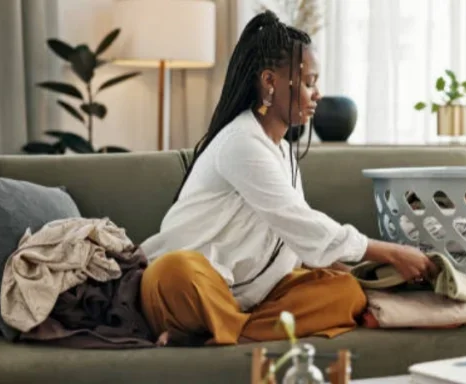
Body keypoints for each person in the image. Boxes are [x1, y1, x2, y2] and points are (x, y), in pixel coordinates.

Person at [138, 10, 439, 347]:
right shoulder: (240, 142)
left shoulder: (283, 153)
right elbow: (301, 222)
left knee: (345, 292)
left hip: (248, 299)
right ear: (270, 81)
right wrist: (392, 253)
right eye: (309, 82)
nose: (317, 94)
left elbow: (296, 241)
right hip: (186, 288)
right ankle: (220, 327)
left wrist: (351, 273)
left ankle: (222, 331)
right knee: (177, 271)